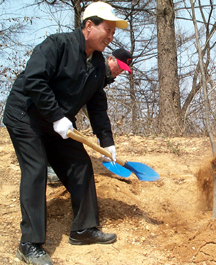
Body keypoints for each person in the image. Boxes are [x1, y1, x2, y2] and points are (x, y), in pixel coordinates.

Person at [2, 2, 128, 265]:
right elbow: (34, 80)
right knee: (36, 169)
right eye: (108, 29)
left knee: (81, 164)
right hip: (26, 116)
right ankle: (29, 244)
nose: (111, 37)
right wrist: (57, 116)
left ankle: (83, 229)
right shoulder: (56, 45)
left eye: (114, 33)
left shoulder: (95, 67)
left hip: (56, 123)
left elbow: (97, 107)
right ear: (89, 26)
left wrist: (108, 143)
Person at [47, 48, 133, 183]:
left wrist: (104, 139)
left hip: (64, 109)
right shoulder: (92, 68)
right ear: (110, 59)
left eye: (123, 69)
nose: (120, 71)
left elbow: (95, 108)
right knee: (61, 136)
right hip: (53, 105)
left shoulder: (101, 76)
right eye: (119, 66)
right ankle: (52, 167)